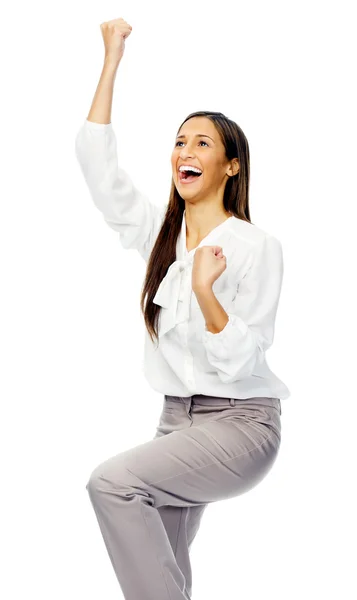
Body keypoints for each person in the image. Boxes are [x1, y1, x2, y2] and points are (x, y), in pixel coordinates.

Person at [75, 17, 291, 600]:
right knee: (163, 565)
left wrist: (205, 292)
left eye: (202, 143)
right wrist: (111, 60)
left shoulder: (255, 245)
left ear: (231, 166)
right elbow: (100, 173)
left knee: (113, 485)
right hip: (176, 421)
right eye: (178, 141)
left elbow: (244, 361)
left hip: (242, 424)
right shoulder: (159, 236)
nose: (184, 152)